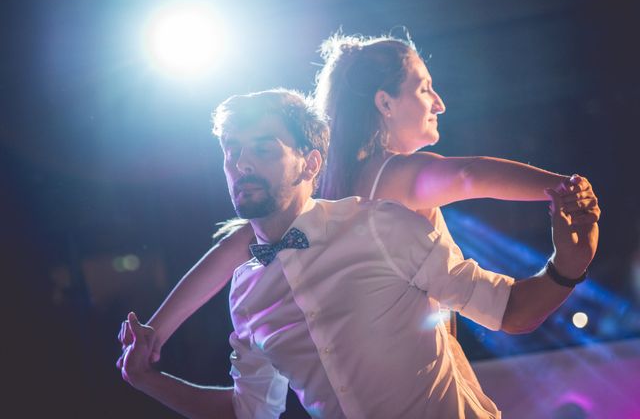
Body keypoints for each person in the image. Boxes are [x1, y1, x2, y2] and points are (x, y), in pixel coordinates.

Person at [119, 32, 597, 368]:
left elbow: (228, 253)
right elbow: (468, 175)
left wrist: (155, 332)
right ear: (384, 103)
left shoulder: (316, 190)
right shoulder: (394, 175)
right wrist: (564, 189)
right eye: (425, 87)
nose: (439, 103)